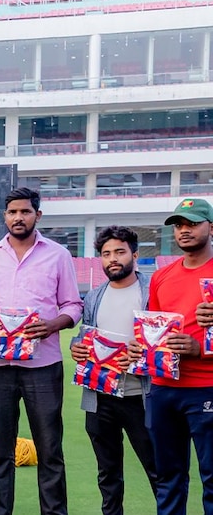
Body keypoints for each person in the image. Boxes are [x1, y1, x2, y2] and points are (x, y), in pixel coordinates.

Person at [0, 187, 81, 515]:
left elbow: (73, 305)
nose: (18, 217)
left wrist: (51, 325)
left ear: (37, 215)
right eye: (12, 212)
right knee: (0, 451)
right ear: (4, 216)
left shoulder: (58, 255)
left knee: (50, 449)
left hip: (43, 365)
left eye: (25, 212)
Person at [69, 226, 156, 515]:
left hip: (141, 397)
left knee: (157, 469)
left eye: (120, 252)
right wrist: (76, 347)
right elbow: (84, 335)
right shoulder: (94, 296)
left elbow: (164, 340)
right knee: (107, 474)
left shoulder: (151, 291)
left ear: (135, 255)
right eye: (106, 254)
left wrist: (141, 354)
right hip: (100, 397)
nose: (113, 259)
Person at [147, 198, 213, 515]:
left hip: (206, 387)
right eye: (178, 225)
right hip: (163, 388)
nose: (184, 230)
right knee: (168, 478)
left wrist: (200, 350)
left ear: (211, 227)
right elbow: (154, 331)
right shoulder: (161, 276)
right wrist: (141, 348)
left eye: (193, 223)